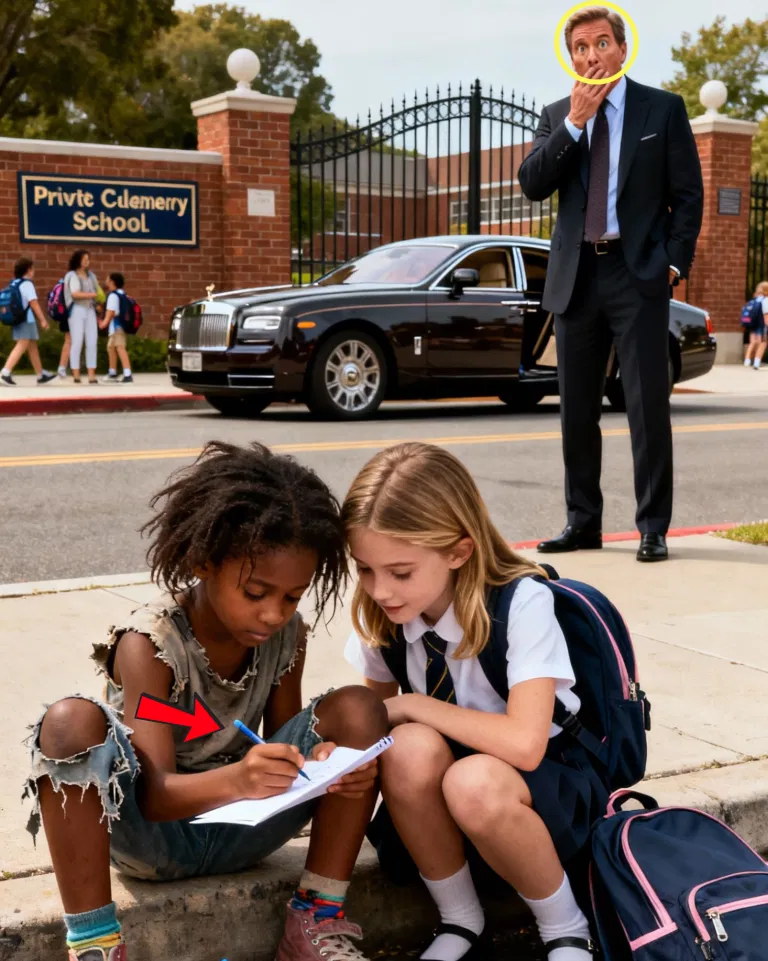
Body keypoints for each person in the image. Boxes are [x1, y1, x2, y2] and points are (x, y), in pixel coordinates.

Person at [24, 441, 388, 961]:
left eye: (292, 597)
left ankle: (316, 921)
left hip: (247, 829)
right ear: (203, 562)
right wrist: (241, 778)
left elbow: (284, 741)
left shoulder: (287, 637)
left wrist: (322, 766)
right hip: (155, 841)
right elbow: (153, 796)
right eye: (257, 592)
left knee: (360, 710)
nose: (273, 614)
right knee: (68, 724)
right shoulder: (150, 645)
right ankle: (96, 946)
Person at [343, 442, 606, 961]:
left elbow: (526, 746)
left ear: (458, 551)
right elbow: (374, 720)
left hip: (542, 791)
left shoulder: (521, 602)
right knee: (407, 748)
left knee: (471, 778)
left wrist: (415, 706)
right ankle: (460, 919)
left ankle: (566, 927)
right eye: (365, 569)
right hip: (442, 807)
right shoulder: (384, 615)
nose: (380, 590)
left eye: (400, 572)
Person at [518, 6, 704, 563]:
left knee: (647, 406)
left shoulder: (662, 109)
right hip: (577, 277)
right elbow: (532, 183)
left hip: (637, 273)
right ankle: (583, 522)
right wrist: (575, 122)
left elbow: (689, 197)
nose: (591, 54)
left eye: (601, 43)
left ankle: (653, 526)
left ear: (621, 49)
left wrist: (672, 264)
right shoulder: (556, 114)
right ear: (570, 55)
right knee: (576, 408)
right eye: (580, 46)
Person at [1, 258, 56, 386]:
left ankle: (40, 374)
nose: (34, 271)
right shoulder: (27, 284)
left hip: (21, 319)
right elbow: (34, 303)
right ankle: (5, 372)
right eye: (32, 268)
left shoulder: (15, 283)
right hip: (25, 319)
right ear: (28, 270)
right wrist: (43, 320)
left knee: (32, 346)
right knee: (22, 344)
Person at [65, 250, 100, 384]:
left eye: (88, 259)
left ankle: (91, 375)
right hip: (77, 310)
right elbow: (75, 294)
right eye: (84, 259)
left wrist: (97, 302)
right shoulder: (72, 275)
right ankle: (76, 374)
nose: (87, 262)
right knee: (77, 341)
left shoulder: (91, 275)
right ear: (77, 260)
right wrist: (92, 296)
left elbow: (97, 291)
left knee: (92, 341)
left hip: (90, 309)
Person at [99, 273, 133, 384]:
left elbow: (111, 312)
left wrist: (104, 323)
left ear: (112, 282)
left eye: (108, 279)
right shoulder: (122, 293)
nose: (106, 281)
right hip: (119, 327)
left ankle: (128, 374)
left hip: (117, 327)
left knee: (120, 347)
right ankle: (112, 372)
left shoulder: (113, 295)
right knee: (111, 347)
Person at [743, 281, 768, 370]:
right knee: (763, 344)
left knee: (752, 343)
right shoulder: (765, 300)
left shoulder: (755, 299)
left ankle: (747, 360)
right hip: (763, 326)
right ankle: (757, 362)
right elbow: (766, 315)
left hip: (753, 325)